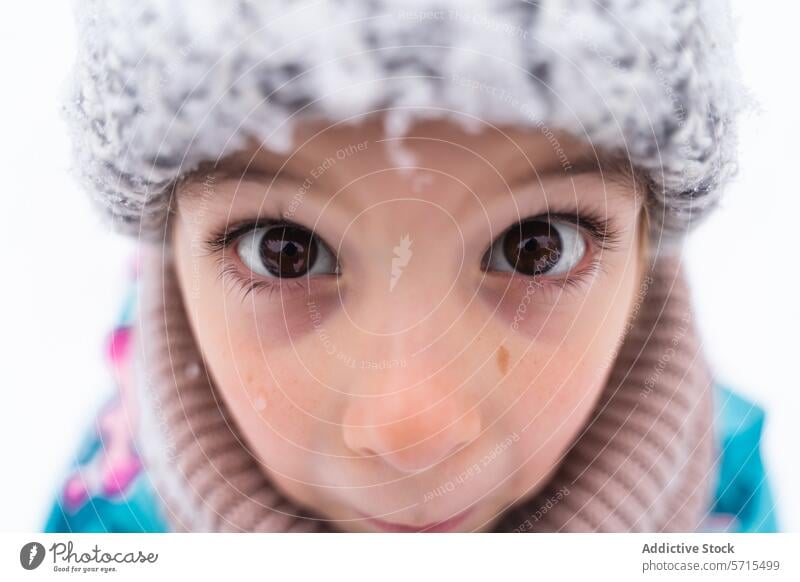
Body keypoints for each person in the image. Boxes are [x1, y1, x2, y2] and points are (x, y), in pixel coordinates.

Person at [45, 0, 777, 533]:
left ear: (648, 234)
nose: (413, 430)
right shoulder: (108, 522)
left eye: (537, 245)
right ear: (169, 240)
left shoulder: (727, 510)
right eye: (284, 250)